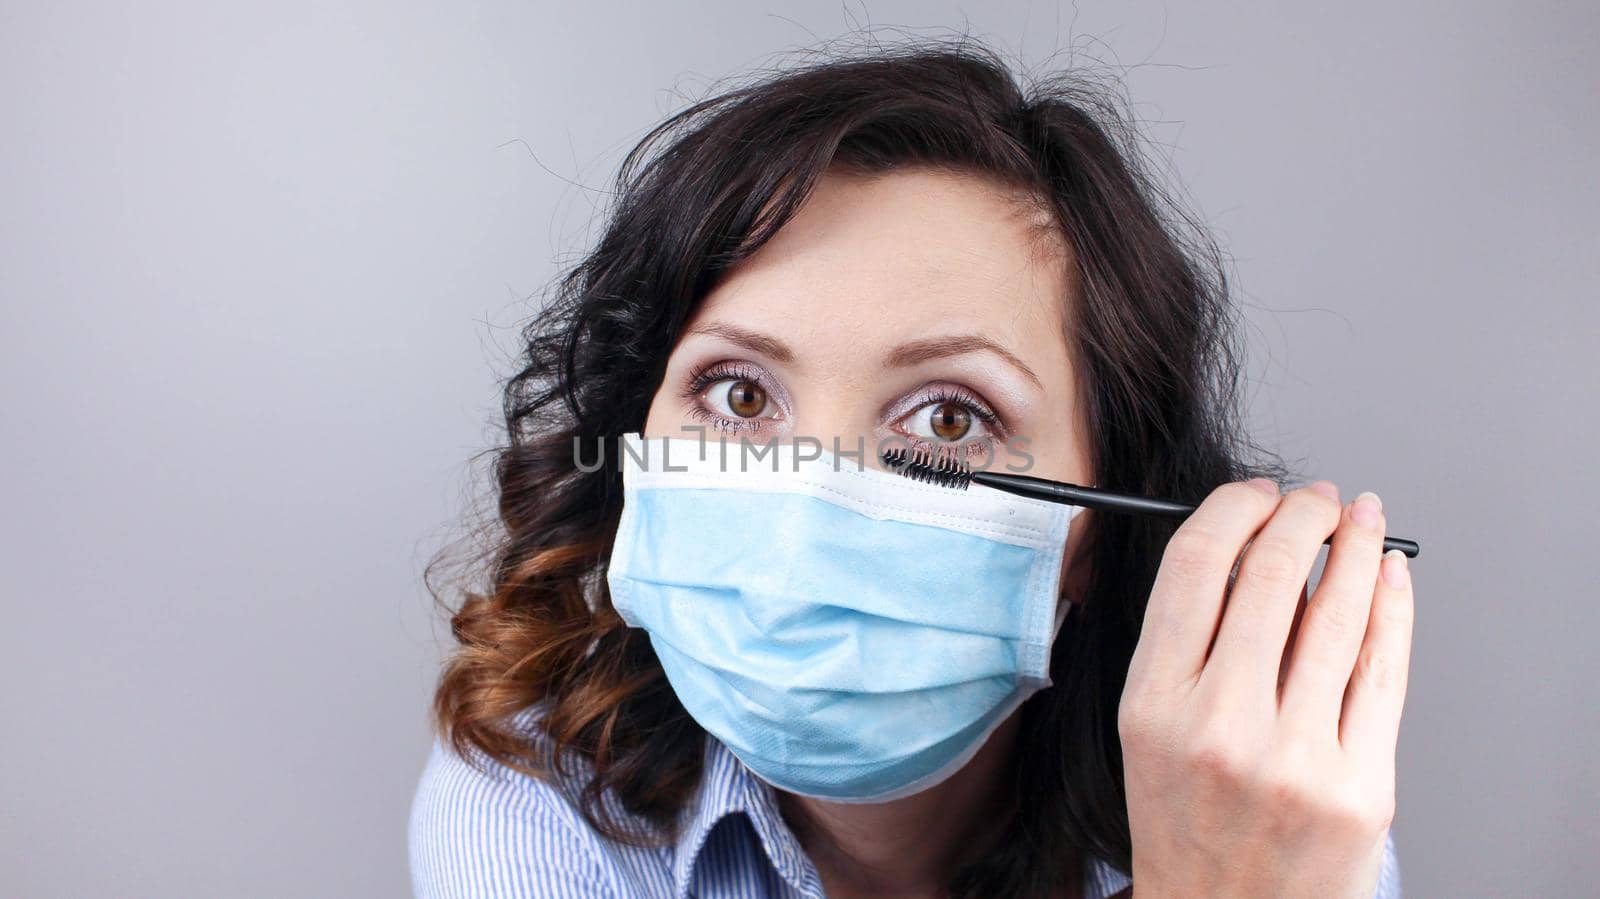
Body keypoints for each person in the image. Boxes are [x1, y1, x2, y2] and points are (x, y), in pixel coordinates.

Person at [408, 37, 1410, 899]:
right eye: (740, 393)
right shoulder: (534, 796)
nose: (813, 494)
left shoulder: (1265, 813)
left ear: (1100, 528)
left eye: (946, 414)